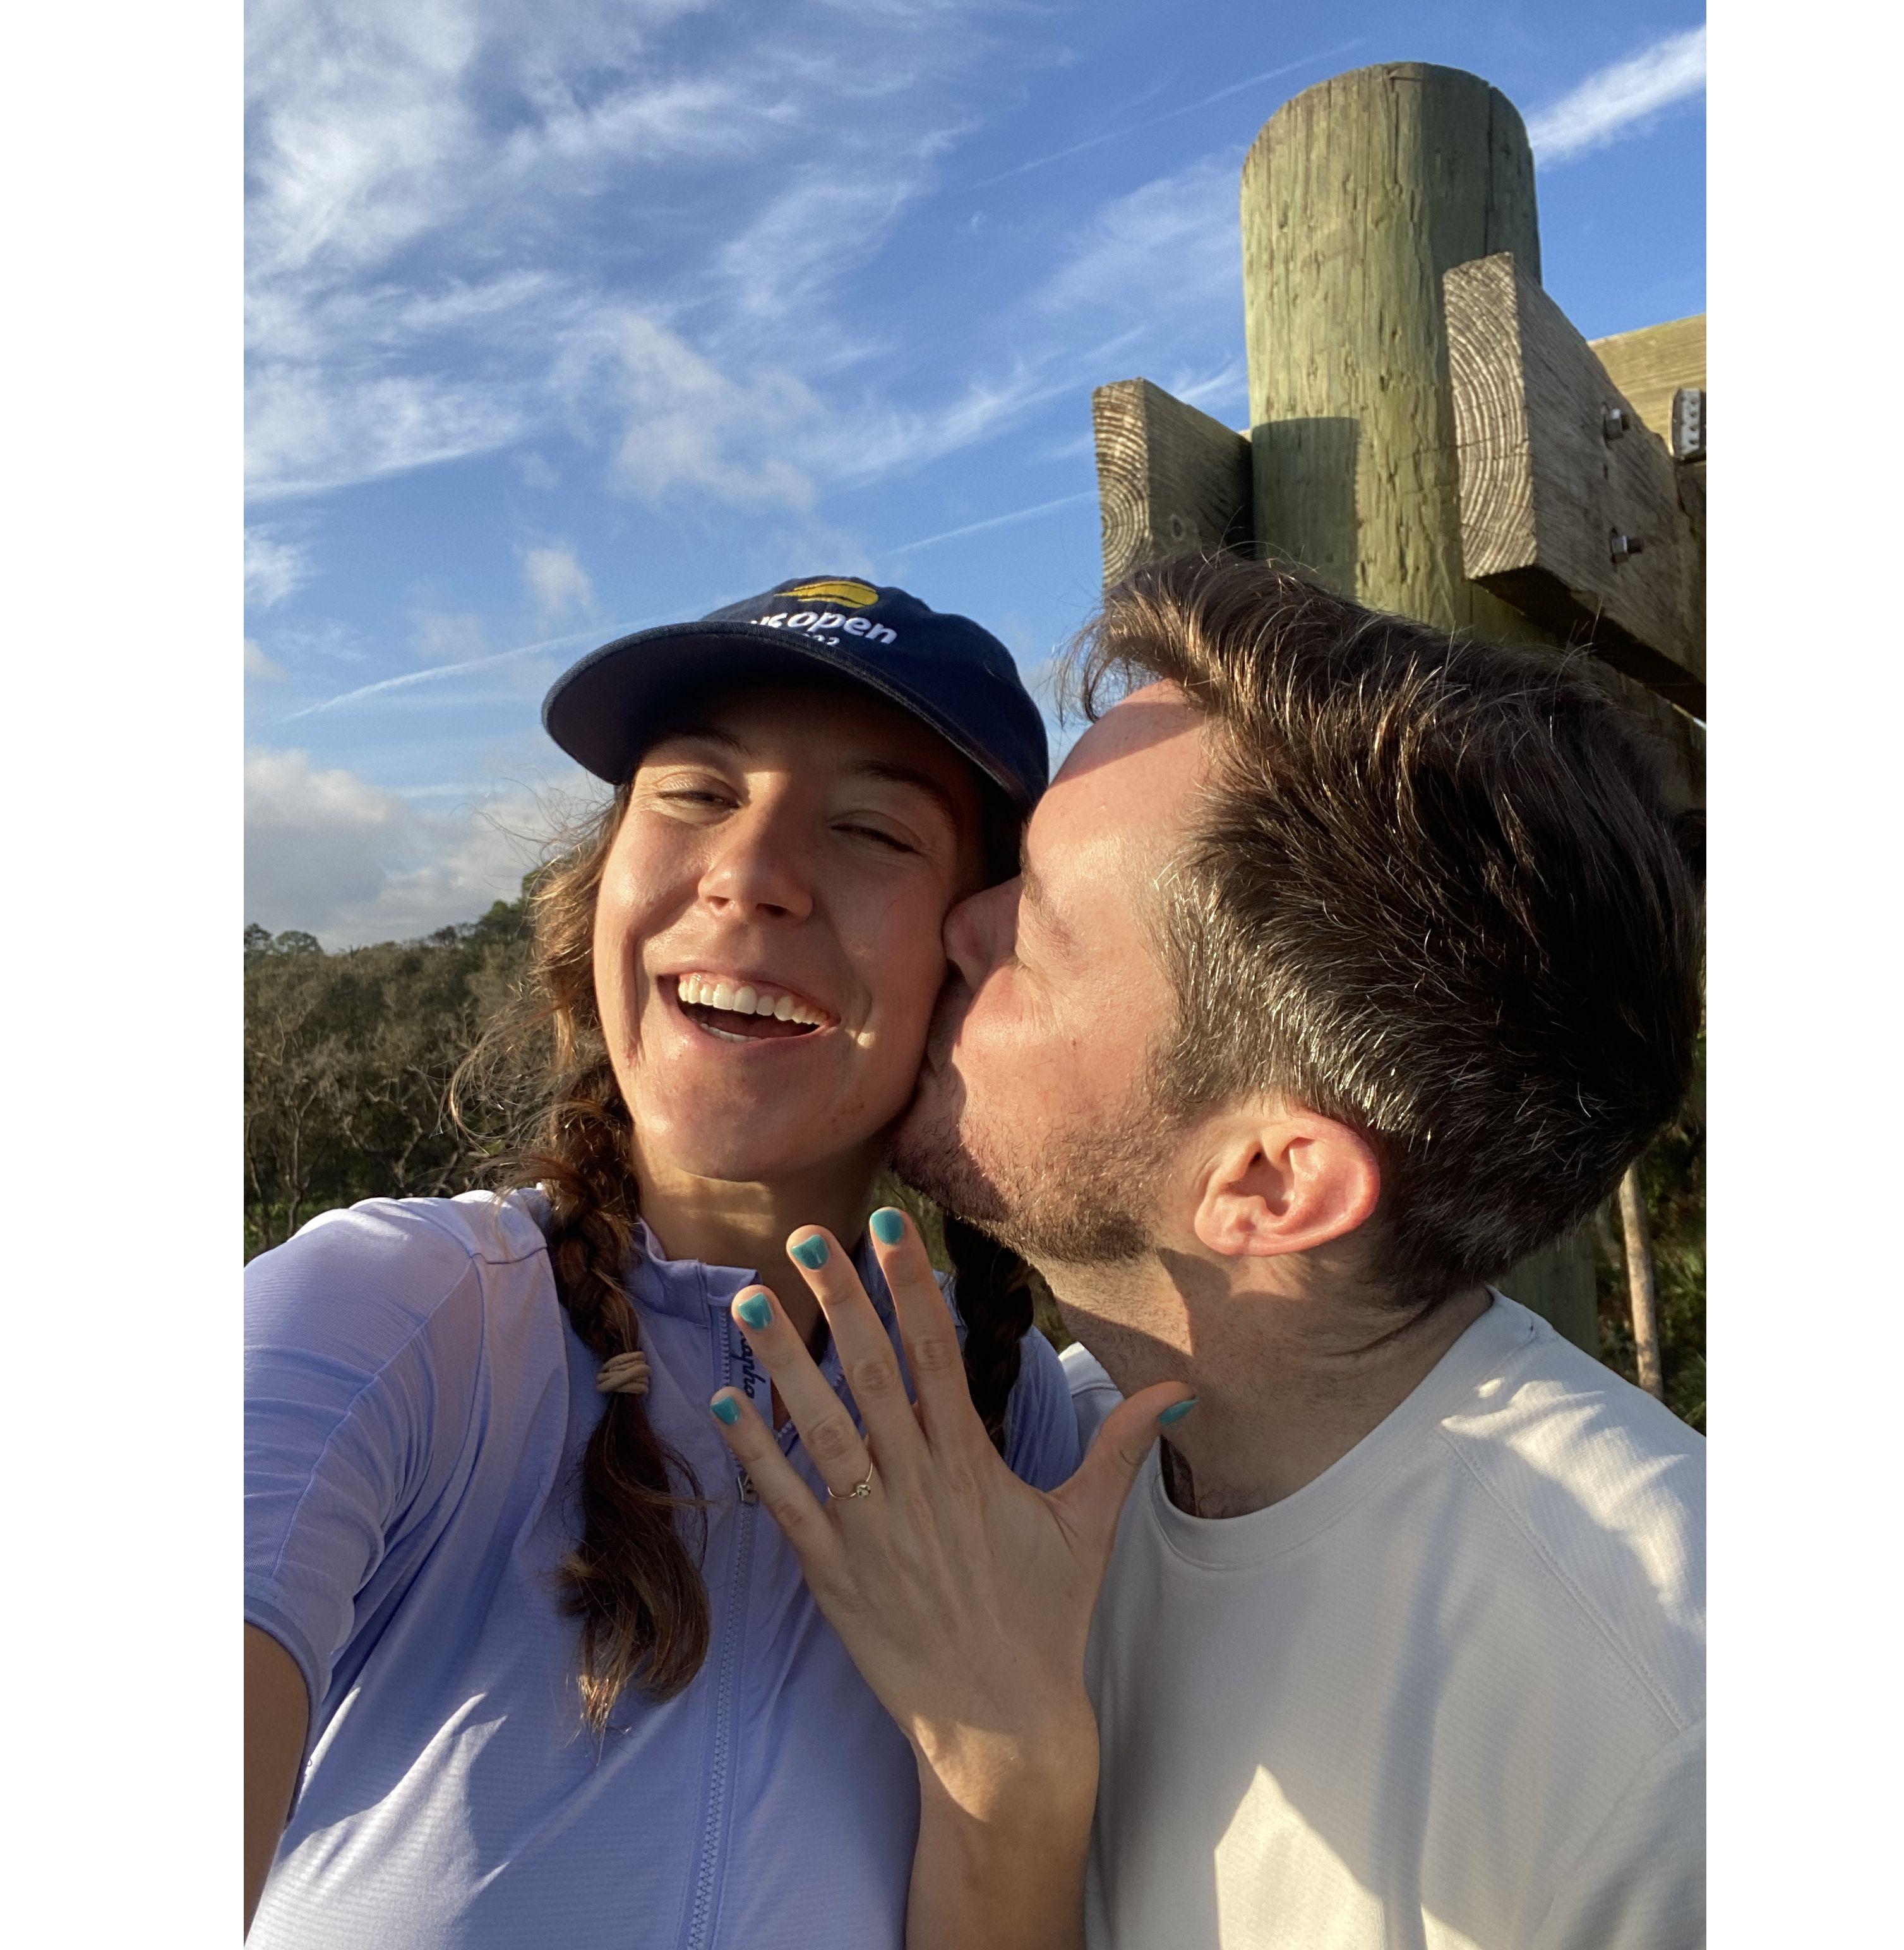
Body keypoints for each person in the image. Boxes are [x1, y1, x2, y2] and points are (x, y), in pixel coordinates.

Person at [710, 553, 1707, 1950]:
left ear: (1264, 1178)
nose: (956, 922)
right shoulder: (1037, 1463)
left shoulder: (1667, 1728)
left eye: (1033, 931)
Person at [242, 575, 1156, 1949]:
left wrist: (1015, 1777)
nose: (752, 871)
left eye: (869, 829)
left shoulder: (1015, 1427)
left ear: (971, 958)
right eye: (693, 793)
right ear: (599, 881)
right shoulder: (390, 1318)